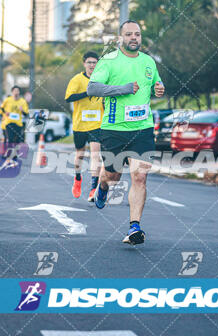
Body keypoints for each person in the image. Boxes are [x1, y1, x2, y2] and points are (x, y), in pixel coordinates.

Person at [87, 20, 165, 245]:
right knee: (113, 177)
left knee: (139, 177)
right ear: (120, 38)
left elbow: (156, 86)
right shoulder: (109, 61)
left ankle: (134, 227)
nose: (134, 38)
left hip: (142, 128)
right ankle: (102, 186)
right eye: (129, 34)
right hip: (114, 129)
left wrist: (159, 89)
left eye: (137, 34)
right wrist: (122, 89)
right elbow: (92, 88)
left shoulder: (149, 62)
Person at [65, 51, 103, 201]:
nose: (92, 65)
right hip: (80, 124)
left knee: (95, 154)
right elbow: (69, 97)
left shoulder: (102, 79)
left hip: (96, 124)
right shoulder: (77, 79)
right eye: (89, 62)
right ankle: (78, 178)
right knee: (79, 155)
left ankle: (94, 188)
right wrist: (87, 93)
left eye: (94, 62)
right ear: (84, 64)